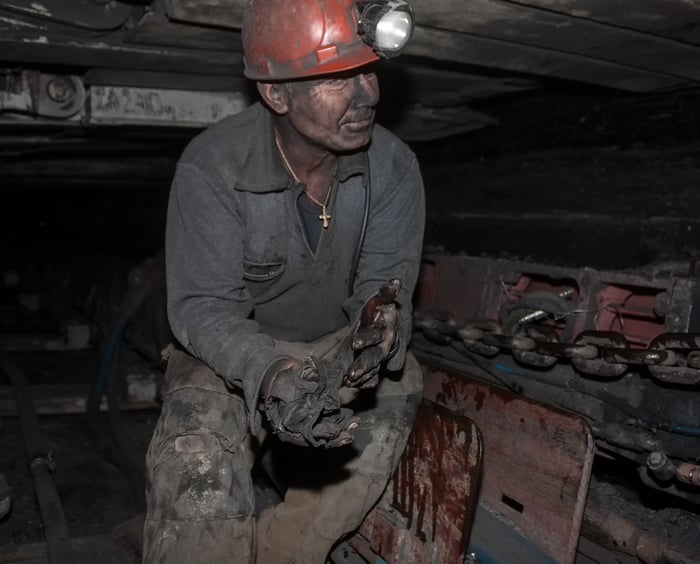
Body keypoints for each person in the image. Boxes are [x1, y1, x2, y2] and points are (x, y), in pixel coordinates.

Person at [142, 0, 425, 562]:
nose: (366, 94)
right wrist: (269, 371)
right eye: (336, 80)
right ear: (277, 94)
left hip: (329, 343)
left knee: (400, 380)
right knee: (199, 442)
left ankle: (281, 551)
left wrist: (381, 323)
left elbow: (383, 279)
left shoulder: (393, 167)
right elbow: (201, 308)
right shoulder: (215, 167)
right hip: (233, 351)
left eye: (367, 71)